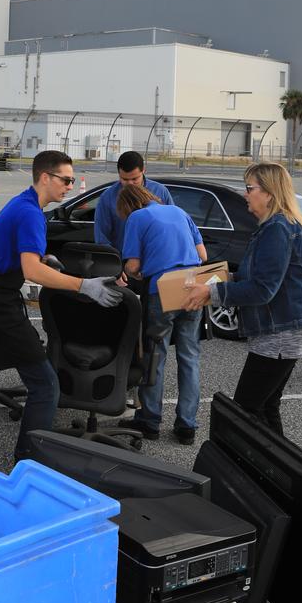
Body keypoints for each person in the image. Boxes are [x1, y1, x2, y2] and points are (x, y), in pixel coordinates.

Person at [0, 150, 124, 461]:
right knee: (46, 387)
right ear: (46, 177)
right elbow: (32, 272)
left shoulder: (23, 203)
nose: (70, 187)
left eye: (73, 181)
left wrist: (43, 257)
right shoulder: (31, 213)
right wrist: (84, 285)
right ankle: (28, 463)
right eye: (66, 180)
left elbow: (10, 250)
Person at [183, 163, 302, 437]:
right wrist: (215, 280)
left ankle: (273, 472)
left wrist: (212, 293)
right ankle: (281, 474)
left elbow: (263, 289)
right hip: (286, 327)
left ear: (269, 193)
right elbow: (257, 277)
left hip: (282, 332)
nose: (245, 194)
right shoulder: (276, 225)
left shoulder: (277, 229)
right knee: (265, 406)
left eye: (249, 188)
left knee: (246, 409)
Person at [116, 184, 208, 445]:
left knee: (155, 356)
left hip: (163, 287)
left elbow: (133, 265)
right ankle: (187, 425)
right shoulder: (179, 211)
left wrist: (139, 270)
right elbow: (202, 254)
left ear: (128, 205)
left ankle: (150, 420)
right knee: (190, 357)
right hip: (193, 285)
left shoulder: (137, 217)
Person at [94, 150, 173, 251]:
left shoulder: (160, 191)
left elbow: (172, 225)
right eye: (125, 179)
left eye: (135, 179)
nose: (130, 184)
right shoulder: (107, 197)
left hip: (156, 260)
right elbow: (102, 238)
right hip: (122, 261)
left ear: (143, 170)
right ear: (118, 173)